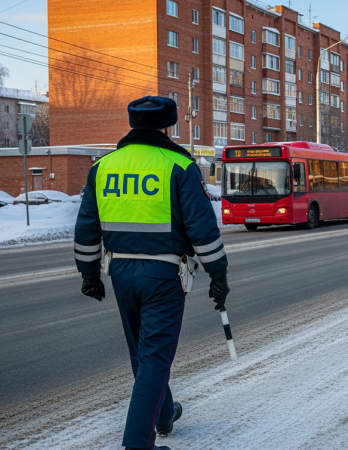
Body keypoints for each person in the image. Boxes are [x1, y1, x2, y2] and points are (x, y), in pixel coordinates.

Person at [73, 96, 231, 450]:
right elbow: (202, 229)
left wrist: (89, 273)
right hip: (164, 275)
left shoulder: (104, 166)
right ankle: (137, 444)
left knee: (142, 353)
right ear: (168, 126)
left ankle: (162, 415)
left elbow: (86, 227)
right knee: (156, 357)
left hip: (121, 272)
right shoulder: (178, 165)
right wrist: (218, 274)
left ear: (133, 123)